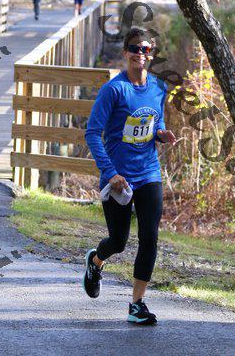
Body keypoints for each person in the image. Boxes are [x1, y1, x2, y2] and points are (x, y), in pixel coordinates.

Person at [84, 27, 176, 325]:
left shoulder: (159, 87)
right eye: (135, 48)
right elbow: (92, 133)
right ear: (125, 52)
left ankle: (137, 305)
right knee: (119, 241)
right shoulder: (114, 90)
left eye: (146, 49)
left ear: (152, 54)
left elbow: (155, 121)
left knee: (149, 237)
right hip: (118, 178)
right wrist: (110, 173)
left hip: (148, 172)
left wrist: (161, 134)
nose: (140, 54)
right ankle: (95, 261)